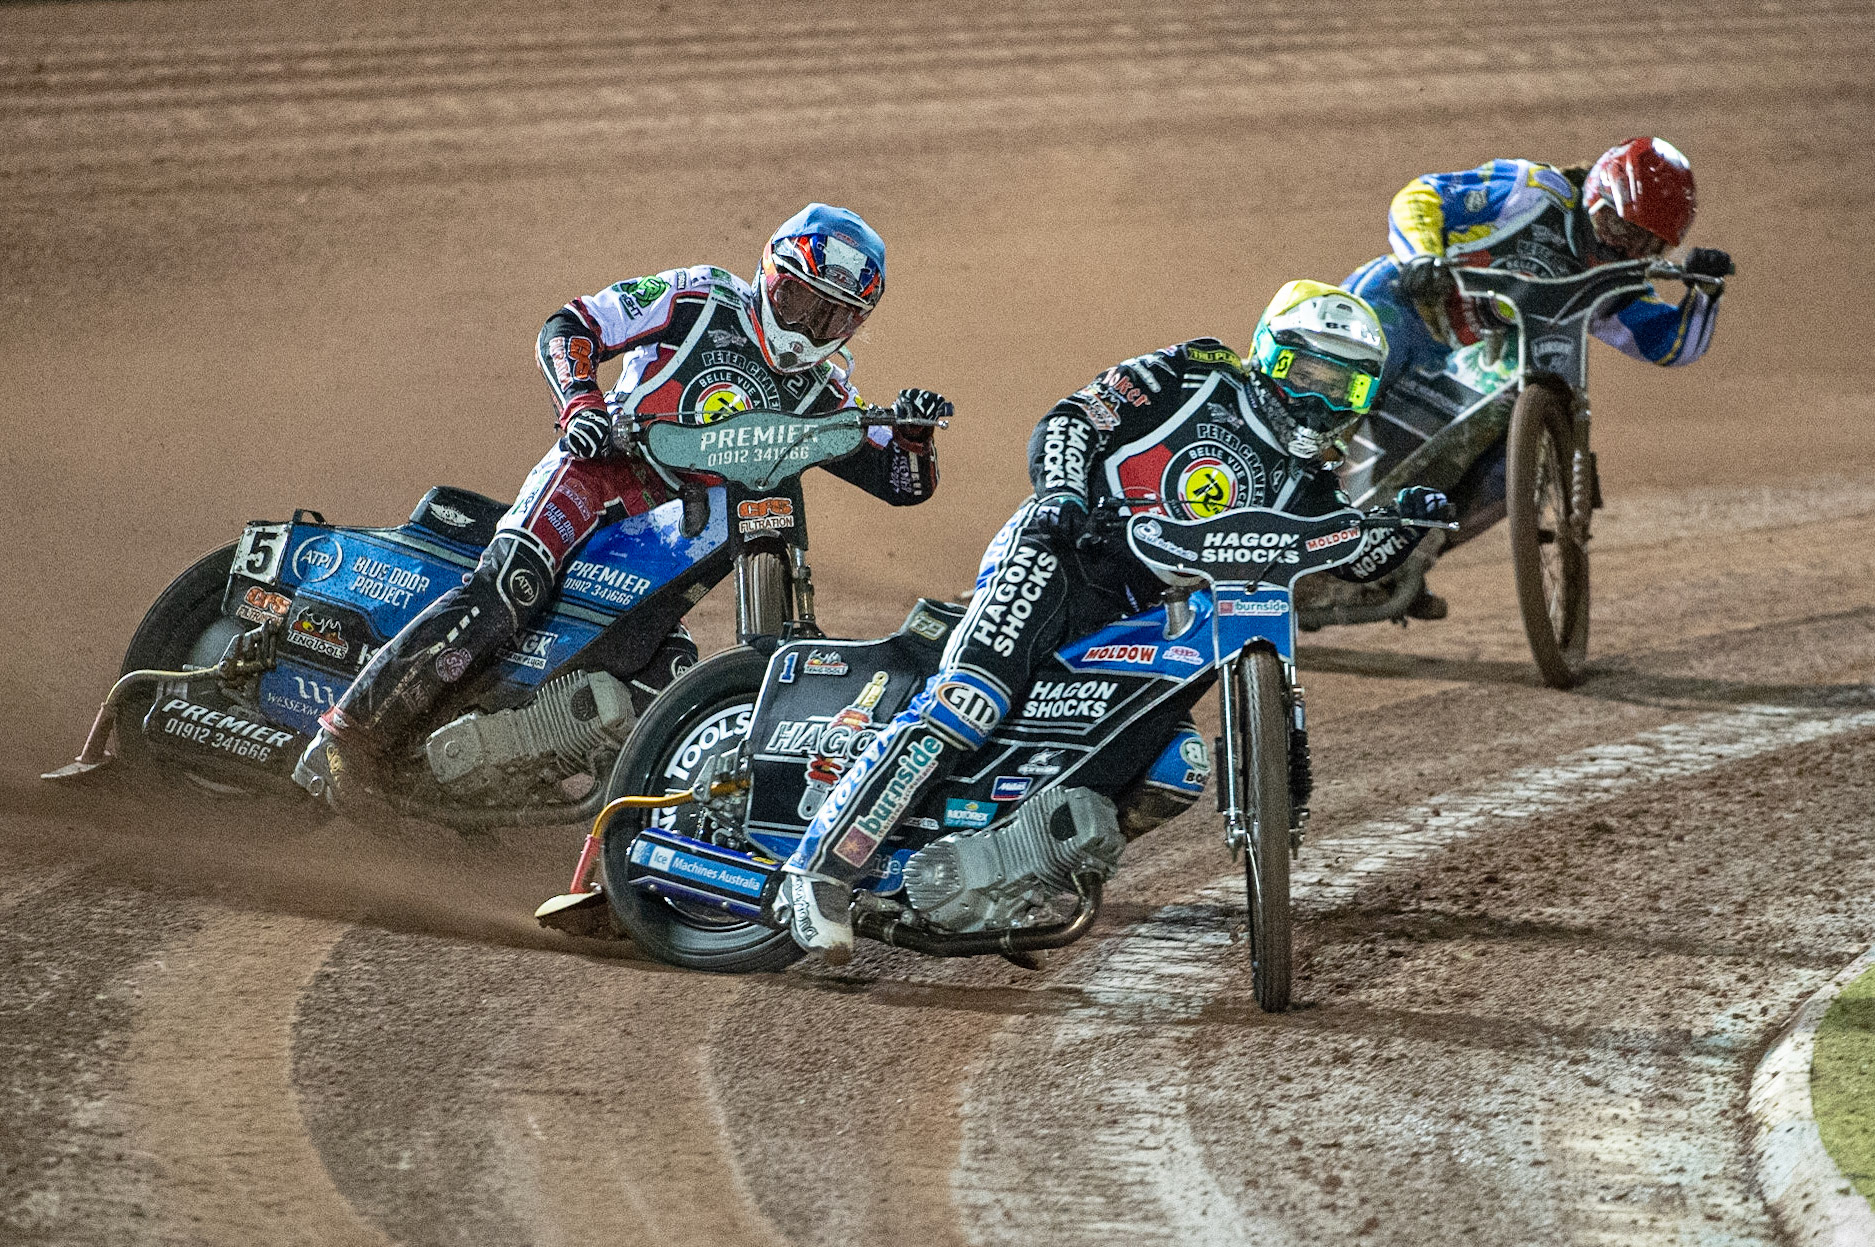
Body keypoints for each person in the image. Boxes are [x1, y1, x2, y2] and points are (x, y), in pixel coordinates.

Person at [775, 280, 1454, 962]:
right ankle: (820, 870)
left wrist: (1405, 525)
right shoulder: (1192, 374)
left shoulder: (1308, 483)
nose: (1318, 400)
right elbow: (1073, 419)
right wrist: (1064, 493)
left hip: (1147, 609)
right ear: (1267, 356)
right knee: (969, 701)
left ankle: (1023, 869)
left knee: (1175, 768)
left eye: (1344, 389)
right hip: (1059, 556)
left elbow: (1352, 556)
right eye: (1303, 375)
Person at [294, 204, 950, 807]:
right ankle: (344, 741)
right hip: (599, 472)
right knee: (510, 589)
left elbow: (899, 480)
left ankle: (513, 789)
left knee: (662, 678)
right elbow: (574, 324)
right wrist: (580, 400)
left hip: (677, 529)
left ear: (853, 323)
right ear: (769, 276)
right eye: (798, 299)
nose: (808, 325)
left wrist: (915, 437)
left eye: (830, 315)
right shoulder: (698, 297)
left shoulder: (824, 394)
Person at [1339, 138, 1734, 613]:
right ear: (1595, 197)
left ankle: (1406, 557)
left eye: (1643, 242)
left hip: (1479, 358)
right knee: (1354, 375)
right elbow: (1421, 196)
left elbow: (1670, 345)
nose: (1619, 246)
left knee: (1518, 469)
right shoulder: (1531, 190)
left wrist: (1703, 294)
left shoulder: (1612, 282)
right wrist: (1421, 255)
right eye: (1616, 225)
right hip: (1406, 306)